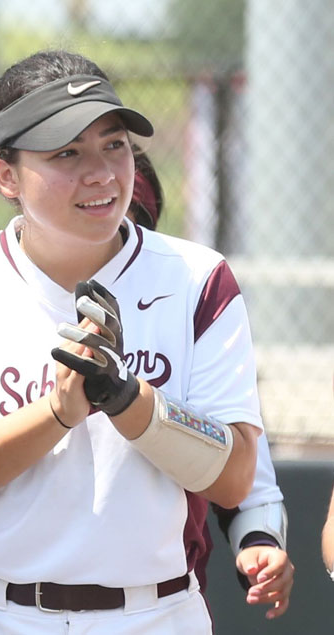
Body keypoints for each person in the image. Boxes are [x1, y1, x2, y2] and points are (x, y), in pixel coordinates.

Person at [0, 50, 261, 633]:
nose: (101, 173)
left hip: (157, 612)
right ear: (5, 175)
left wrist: (127, 400)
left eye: (114, 144)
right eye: (67, 152)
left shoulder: (196, 277)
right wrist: (57, 413)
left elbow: (237, 473)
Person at [129, 153, 294, 619]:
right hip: (8, 604)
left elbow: (249, 484)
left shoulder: (190, 295)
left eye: (133, 218)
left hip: (158, 605)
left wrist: (259, 545)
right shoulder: (6, 293)